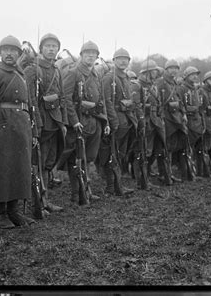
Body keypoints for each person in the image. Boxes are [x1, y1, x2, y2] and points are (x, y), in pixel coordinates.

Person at [0, 35, 36, 228]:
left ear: (19, 54)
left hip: (21, 128)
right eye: (6, 50)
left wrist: (33, 131)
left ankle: (14, 210)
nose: (9, 54)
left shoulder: (21, 74)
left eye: (13, 50)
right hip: (2, 127)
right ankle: (0, 213)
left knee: (19, 169)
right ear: (0, 53)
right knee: (0, 170)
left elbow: (29, 104)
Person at [23, 33, 67, 214]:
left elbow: (62, 97)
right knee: (37, 164)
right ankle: (37, 203)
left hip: (55, 122)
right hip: (40, 123)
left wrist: (63, 122)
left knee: (48, 163)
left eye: (54, 46)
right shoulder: (32, 70)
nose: (51, 49)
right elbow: (30, 99)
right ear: (41, 49)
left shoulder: (56, 70)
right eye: (47, 46)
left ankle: (45, 199)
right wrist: (37, 123)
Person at [62, 40, 109, 202]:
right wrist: (74, 121)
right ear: (81, 55)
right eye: (87, 53)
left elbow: (101, 99)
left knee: (88, 157)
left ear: (97, 56)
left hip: (94, 121)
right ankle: (77, 192)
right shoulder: (73, 72)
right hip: (80, 122)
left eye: (93, 53)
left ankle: (87, 189)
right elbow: (66, 98)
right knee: (77, 157)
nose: (90, 56)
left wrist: (106, 122)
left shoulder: (96, 74)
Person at [100, 48, 136, 194]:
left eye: (125, 59)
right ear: (114, 61)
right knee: (111, 153)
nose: (123, 61)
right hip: (115, 119)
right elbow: (106, 100)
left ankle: (117, 184)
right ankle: (111, 186)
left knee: (120, 153)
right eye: (119, 58)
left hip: (126, 119)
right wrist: (112, 120)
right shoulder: (109, 78)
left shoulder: (126, 77)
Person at [137, 59, 172, 185]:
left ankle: (150, 175)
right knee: (146, 149)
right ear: (148, 72)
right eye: (154, 71)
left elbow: (159, 103)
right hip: (146, 120)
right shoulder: (138, 85)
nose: (156, 73)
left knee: (158, 149)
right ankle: (142, 178)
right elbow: (137, 105)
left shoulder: (153, 85)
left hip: (156, 120)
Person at [155, 60, 187, 183]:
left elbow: (180, 100)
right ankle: (164, 174)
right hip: (166, 118)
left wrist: (183, 113)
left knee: (171, 147)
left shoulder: (175, 83)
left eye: (176, 68)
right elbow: (157, 101)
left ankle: (168, 173)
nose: (174, 70)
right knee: (164, 147)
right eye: (171, 68)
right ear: (166, 69)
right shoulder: (160, 82)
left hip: (176, 118)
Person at [178, 66, 204, 180]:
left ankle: (191, 172)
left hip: (197, 122)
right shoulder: (182, 88)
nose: (195, 76)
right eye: (192, 74)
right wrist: (188, 110)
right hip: (188, 121)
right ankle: (185, 174)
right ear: (186, 76)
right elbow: (181, 104)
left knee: (191, 147)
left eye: (196, 74)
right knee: (185, 148)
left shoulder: (195, 89)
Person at [199, 71, 211, 177]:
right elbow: (201, 108)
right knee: (205, 146)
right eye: (210, 79)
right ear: (205, 80)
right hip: (206, 121)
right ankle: (204, 169)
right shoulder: (202, 91)